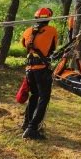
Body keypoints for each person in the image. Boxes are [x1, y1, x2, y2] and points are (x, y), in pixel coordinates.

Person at [21, 7, 58, 139]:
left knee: (34, 95)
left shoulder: (27, 31)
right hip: (41, 69)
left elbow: (24, 46)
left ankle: (26, 123)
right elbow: (53, 48)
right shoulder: (52, 31)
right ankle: (32, 128)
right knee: (44, 97)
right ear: (48, 19)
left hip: (29, 69)